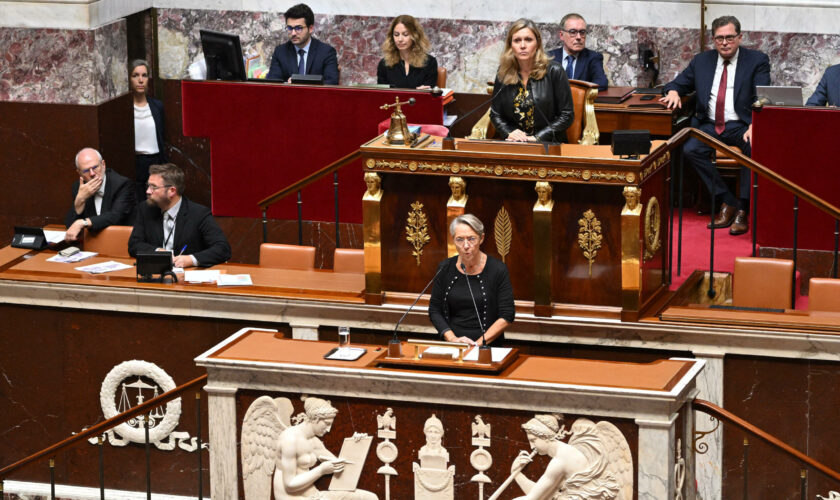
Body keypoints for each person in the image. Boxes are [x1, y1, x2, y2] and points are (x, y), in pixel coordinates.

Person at [660, 15, 770, 236]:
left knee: (754, 148)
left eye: (730, 37)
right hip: (710, 124)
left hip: (741, 124)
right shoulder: (702, 61)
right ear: (713, 39)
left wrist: (756, 124)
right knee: (690, 149)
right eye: (719, 38)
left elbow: (764, 97)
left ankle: (743, 209)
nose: (725, 43)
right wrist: (672, 91)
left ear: (739, 37)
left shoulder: (757, 60)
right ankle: (728, 200)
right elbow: (676, 84)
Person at [429, 214, 515, 346]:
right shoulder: (445, 268)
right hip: (453, 345)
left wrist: (478, 344)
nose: (466, 245)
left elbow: (507, 314)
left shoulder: (497, 269)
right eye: (459, 239)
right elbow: (435, 310)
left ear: (481, 238)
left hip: (487, 347)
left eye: (471, 239)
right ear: (453, 240)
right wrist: (453, 339)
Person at [128, 163, 231, 268]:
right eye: (148, 186)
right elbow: (134, 245)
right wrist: (158, 252)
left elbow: (223, 249)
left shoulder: (199, 214)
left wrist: (191, 259)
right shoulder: (145, 209)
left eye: (153, 187)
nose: (148, 191)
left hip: (188, 277)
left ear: (172, 191)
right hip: (154, 275)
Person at [490, 18, 574, 144]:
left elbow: (567, 115)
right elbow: (495, 114)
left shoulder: (554, 71)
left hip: (548, 144)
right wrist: (509, 132)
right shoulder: (504, 72)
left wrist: (538, 137)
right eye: (517, 40)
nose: (523, 45)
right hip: (514, 144)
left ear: (537, 44)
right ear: (510, 45)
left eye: (528, 40)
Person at [273, 397, 377, 500]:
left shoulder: (313, 441)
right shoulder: (290, 440)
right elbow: (289, 485)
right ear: (315, 419)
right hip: (291, 497)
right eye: (327, 424)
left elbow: (339, 464)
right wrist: (321, 470)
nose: (328, 429)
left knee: (370, 498)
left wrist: (356, 443)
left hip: (312, 495)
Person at [64, 148, 136, 242]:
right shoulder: (78, 187)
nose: (92, 174)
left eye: (95, 167)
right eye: (86, 171)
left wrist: (83, 222)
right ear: (79, 173)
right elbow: (70, 228)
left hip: (120, 242)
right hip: (92, 244)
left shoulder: (122, 184)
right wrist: (80, 200)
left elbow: (115, 216)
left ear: (103, 165)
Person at [267, 3, 339, 85]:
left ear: (310, 28)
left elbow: (331, 83)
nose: (293, 33)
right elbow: (273, 84)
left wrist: (301, 83)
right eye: (290, 28)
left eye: (298, 28)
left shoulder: (326, 52)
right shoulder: (280, 52)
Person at [130, 59, 167, 204]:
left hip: (156, 161)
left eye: (144, 75)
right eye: (135, 75)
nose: (140, 80)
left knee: (157, 203)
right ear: (129, 79)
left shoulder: (157, 106)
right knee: (138, 204)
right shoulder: (125, 108)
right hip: (135, 162)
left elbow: (162, 134)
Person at [548, 13, 608, 90]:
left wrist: (577, 95)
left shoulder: (593, 57)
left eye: (582, 32)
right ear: (561, 35)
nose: (579, 37)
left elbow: (601, 83)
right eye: (573, 32)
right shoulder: (549, 57)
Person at [377, 15, 438, 89]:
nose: (400, 39)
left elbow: (431, 95)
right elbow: (381, 95)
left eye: (405, 34)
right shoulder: (384, 64)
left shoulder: (430, 62)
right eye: (396, 35)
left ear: (415, 36)